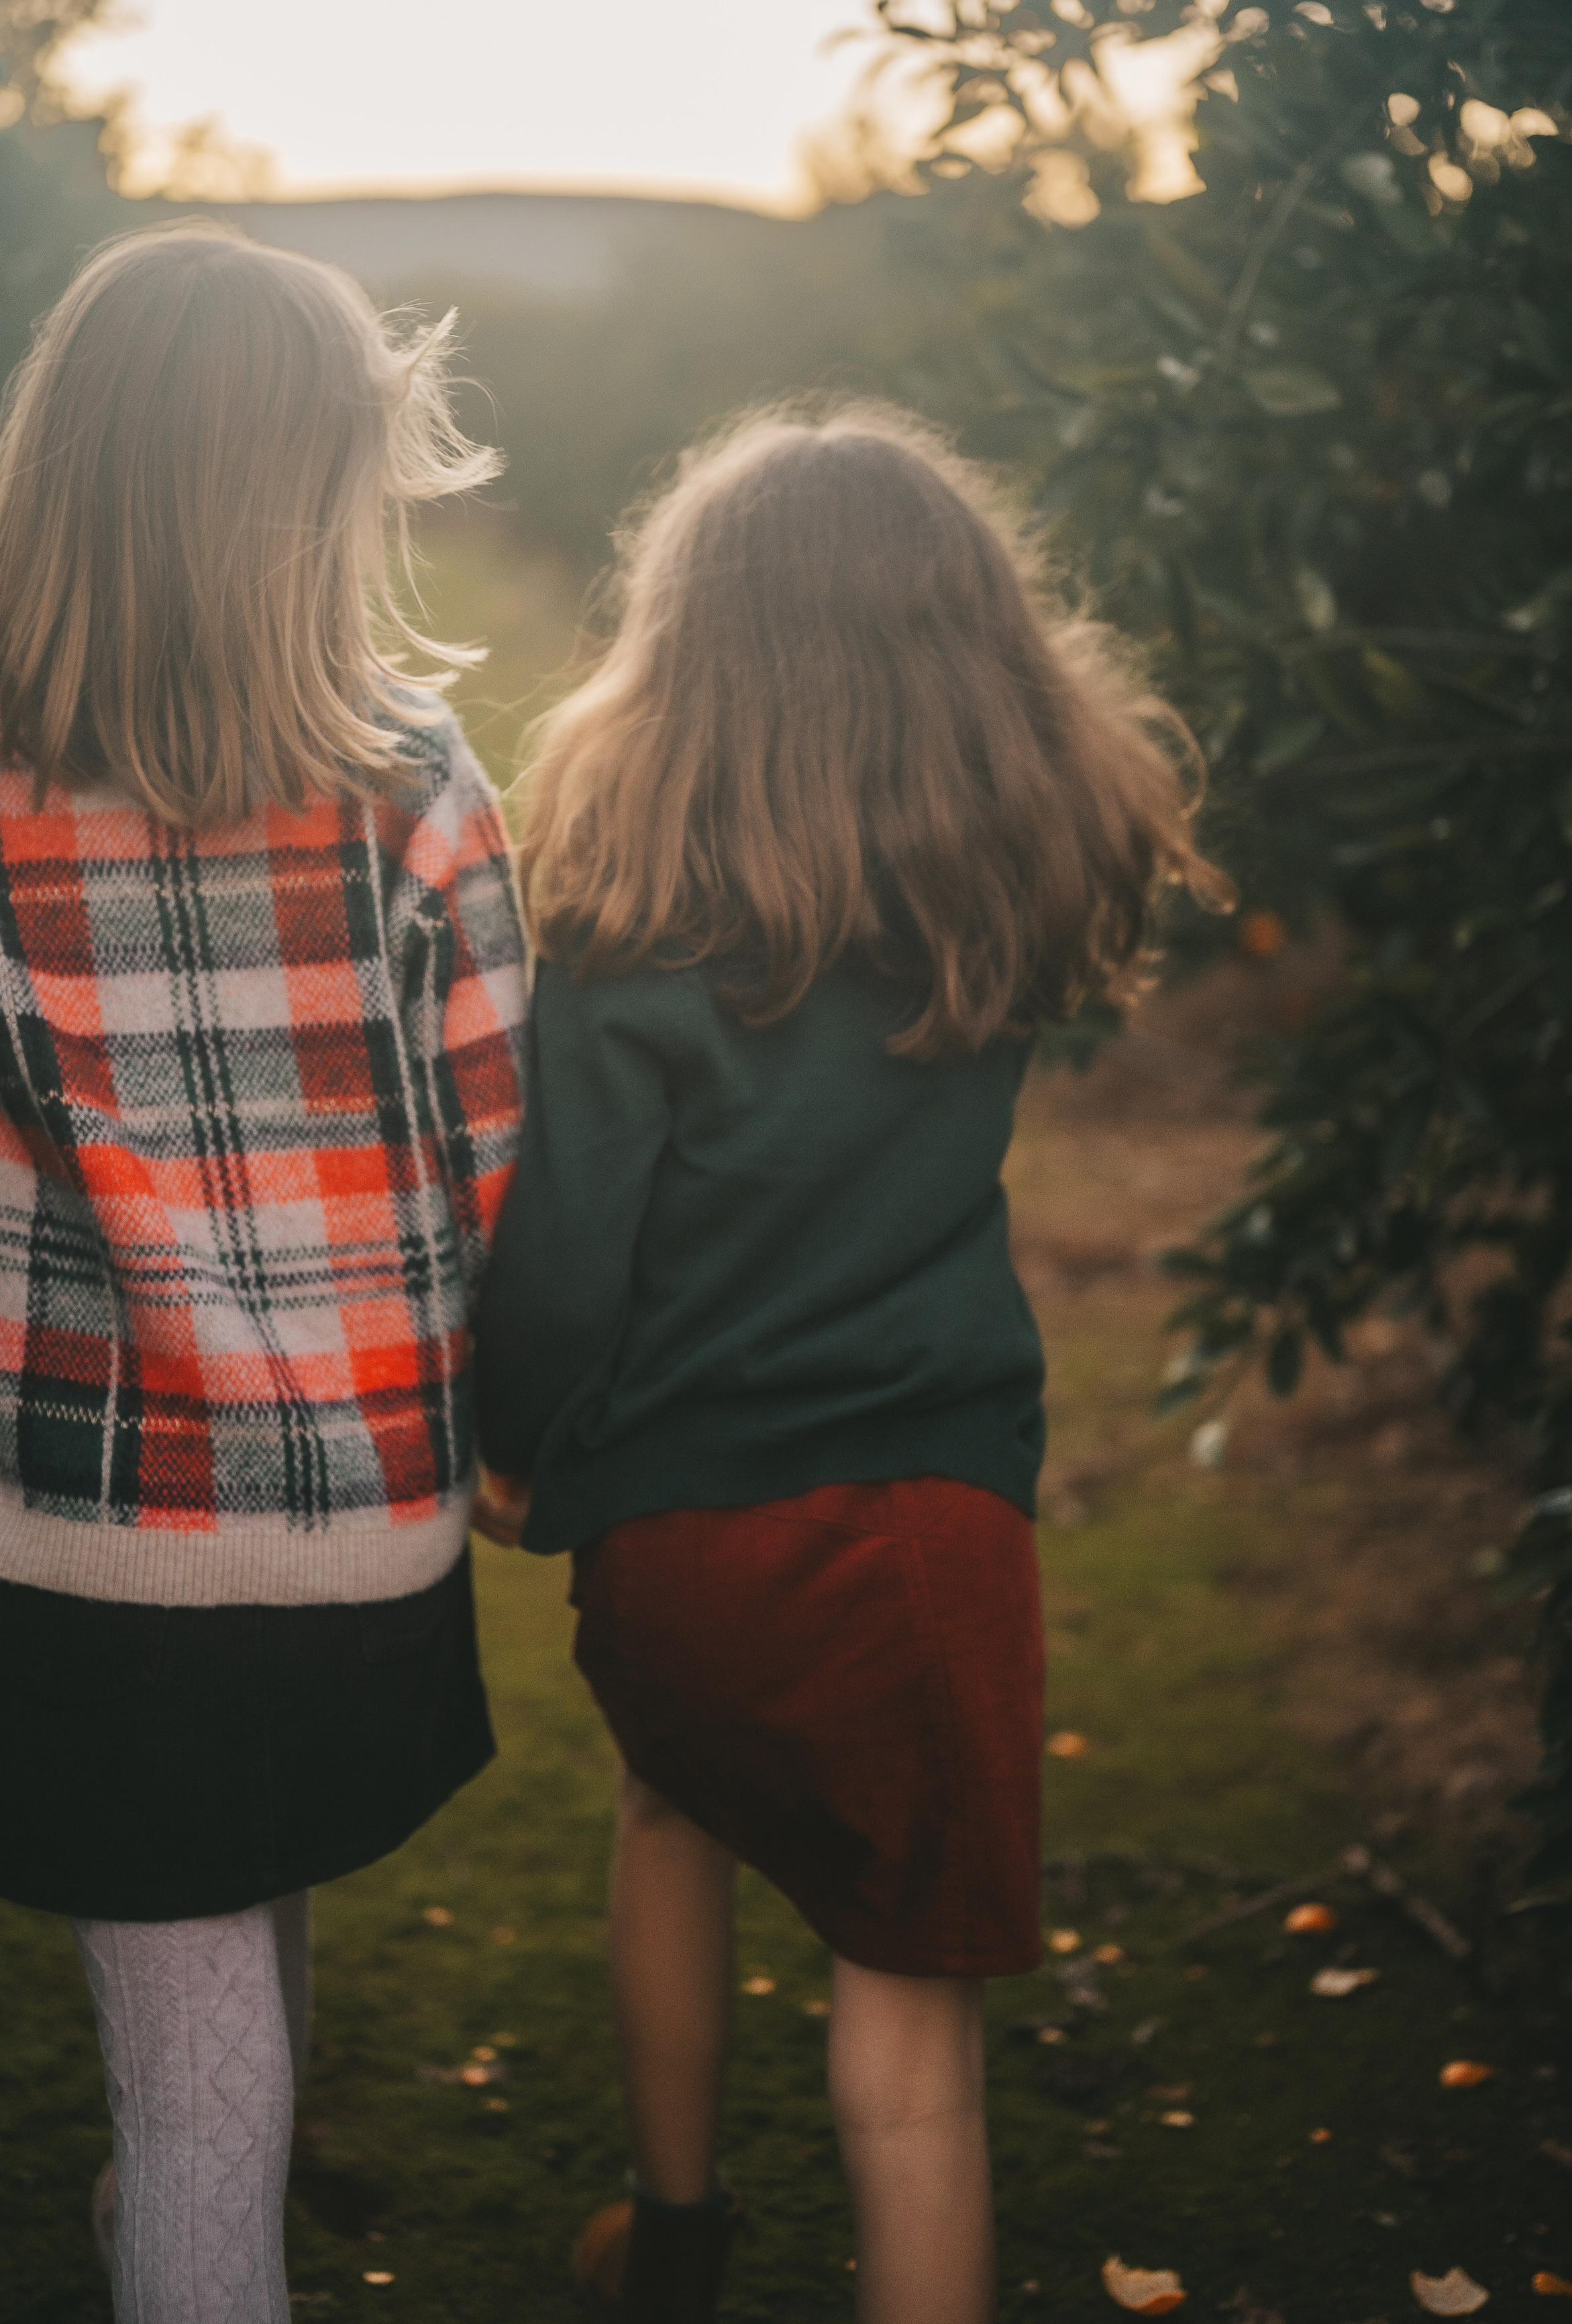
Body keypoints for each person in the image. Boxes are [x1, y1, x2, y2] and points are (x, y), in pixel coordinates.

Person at [472, 401, 1229, 2324]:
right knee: (911, 2049)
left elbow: (565, 1258)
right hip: (925, 1534)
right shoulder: (984, 896)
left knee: (668, 1817)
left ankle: (677, 2234)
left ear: (685, 654)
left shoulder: (628, 937)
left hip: (674, 1535)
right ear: (971, 658)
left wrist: (509, 1447)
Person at [0, 225, 528, 2323]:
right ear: (319, 496)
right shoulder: (416, 786)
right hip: (362, 1534)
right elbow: (500, 1160)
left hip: (91, 1551)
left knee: (198, 2099)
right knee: (240, 2012)